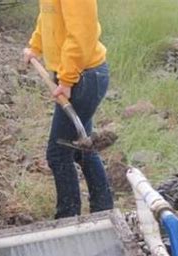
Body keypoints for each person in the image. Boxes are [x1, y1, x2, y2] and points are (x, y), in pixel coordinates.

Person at [23, 0, 114, 219]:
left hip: (84, 77)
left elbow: (83, 33)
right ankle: (104, 211)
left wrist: (67, 79)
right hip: (76, 76)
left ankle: (68, 218)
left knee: (58, 154)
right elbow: (48, 17)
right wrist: (36, 46)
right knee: (82, 148)